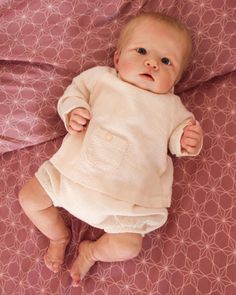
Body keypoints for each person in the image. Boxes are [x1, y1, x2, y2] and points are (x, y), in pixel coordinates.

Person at [19, 12, 203, 286]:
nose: (152, 62)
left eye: (166, 61)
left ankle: (91, 251)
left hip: (128, 204)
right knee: (29, 199)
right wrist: (74, 111)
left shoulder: (172, 108)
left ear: (175, 80)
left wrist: (189, 141)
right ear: (117, 59)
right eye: (141, 51)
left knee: (129, 246)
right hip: (74, 176)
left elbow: (179, 137)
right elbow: (74, 93)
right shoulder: (101, 80)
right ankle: (58, 235)